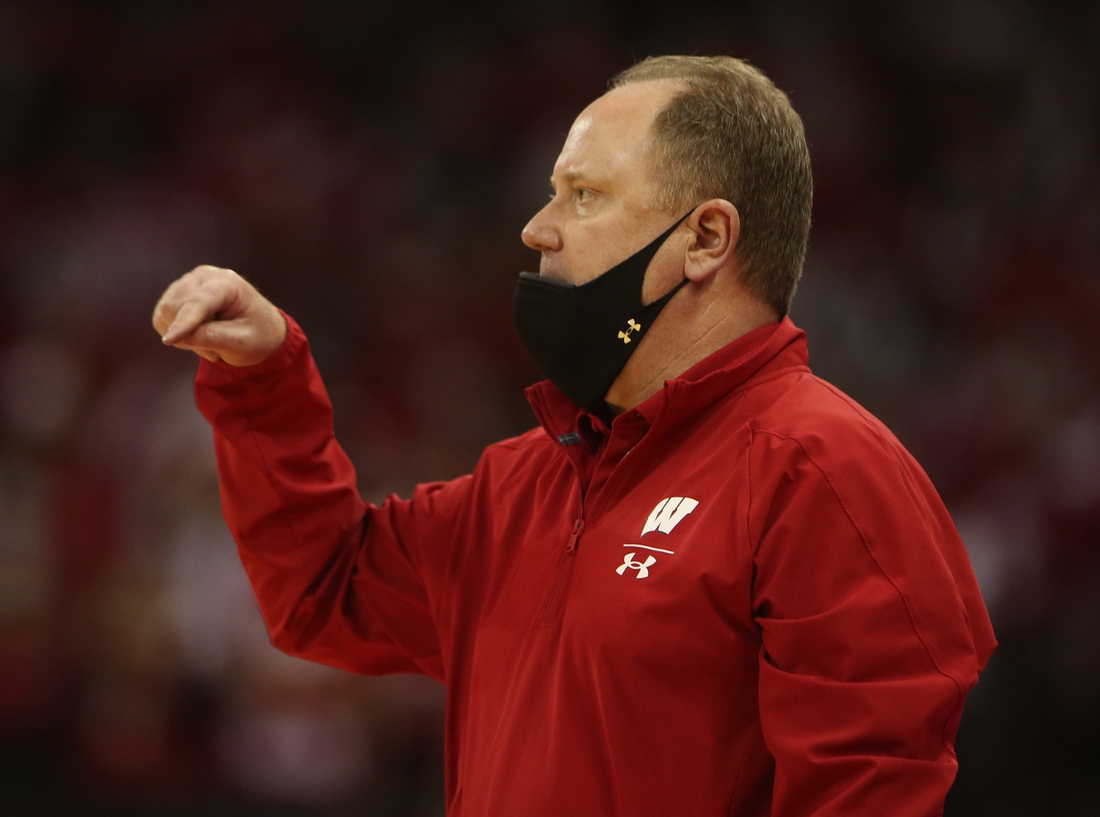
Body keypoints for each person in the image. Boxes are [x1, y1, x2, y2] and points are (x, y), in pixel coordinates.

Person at [152, 55, 995, 816]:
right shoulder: (522, 482)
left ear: (705, 239)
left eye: (583, 195)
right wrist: (262, 379)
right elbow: (323, 594)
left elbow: (867, 794)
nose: (539, 226)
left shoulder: (823, 469)